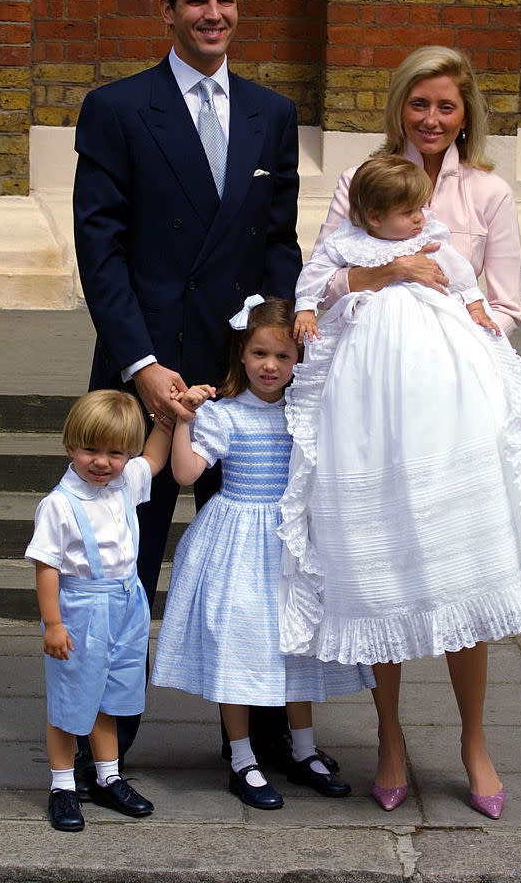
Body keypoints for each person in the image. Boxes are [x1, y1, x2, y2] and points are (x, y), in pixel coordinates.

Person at [279, 155, 521, 820]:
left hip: (443, 409)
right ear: (370, 215)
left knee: (459, 570)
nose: (422, 217)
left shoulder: (434, 233)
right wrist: (326, 300)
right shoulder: (346, 241)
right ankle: (390, 738)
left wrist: (474, 313)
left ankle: (474, 742)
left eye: (421, 209)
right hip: (366, 415)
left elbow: (467, 282)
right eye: (409, 211)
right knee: (377, 576)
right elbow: (316, 282)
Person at [72, 0, 303, 768]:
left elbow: (278, 247)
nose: (214, 14)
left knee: (261, 568)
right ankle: (106, 749)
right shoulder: (117, 107)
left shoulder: (272, 113)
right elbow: (99, 251)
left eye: (226, 0)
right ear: (165, 10)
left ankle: (264, 738)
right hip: (145, 385)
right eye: (197, 0)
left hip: (242, 390)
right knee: (117, 574)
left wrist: (269, 354)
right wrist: (142, 366)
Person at [152, 296, 372, 809]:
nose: (270, 366)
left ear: (298, 361)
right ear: (242, 355)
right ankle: (242, 756)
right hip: (237, 543)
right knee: (240, 642)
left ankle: (303, 749)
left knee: (296, 642)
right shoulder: (225, 415)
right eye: (259, 354)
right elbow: (185, 474)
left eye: (282, 357)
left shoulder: (305, 413)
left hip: (292, 543)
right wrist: (184, 419)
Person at [25, 387, 211, 831]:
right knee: (72, 700)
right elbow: (47, 568)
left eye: (115, 452)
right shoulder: (59, 505)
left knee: (111, 696)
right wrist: (53, 623)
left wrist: (168, 420)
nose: (102, 462)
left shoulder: (124, 482)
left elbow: (154, 460)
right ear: (71, 445)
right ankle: (63, 785)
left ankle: (109, 777)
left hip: (127, 604)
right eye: (91, 449)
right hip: (82, 609)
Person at [301, 45, 521, 338]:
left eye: (446, 107)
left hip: (458, 357)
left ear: (465, 116)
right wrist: (394, 269)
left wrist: (460, 352)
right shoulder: (358, 181)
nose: (431, 120)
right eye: (418, 104)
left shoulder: (493, 193)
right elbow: (323, 288)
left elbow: (506, 308)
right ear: (399, 109)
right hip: (367, 350)